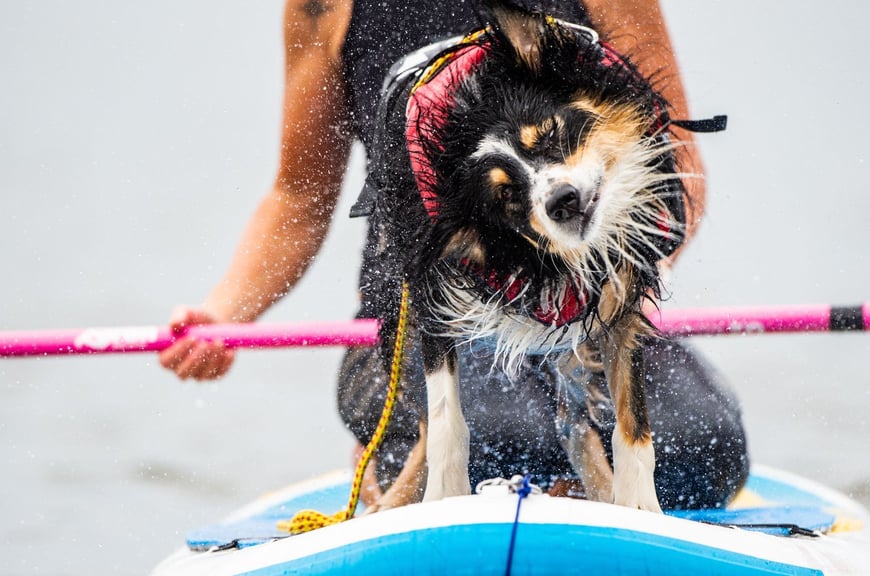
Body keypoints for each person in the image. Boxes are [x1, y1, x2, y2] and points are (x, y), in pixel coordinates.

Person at [159, 0, 748, 510]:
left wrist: (609, 288)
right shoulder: (324, 6)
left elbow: (672, 159)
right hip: (429, 320)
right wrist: (225, 312)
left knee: (705, 447)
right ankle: (413, 452)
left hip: (590, 308)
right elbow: (299, 199)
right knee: (501, 439)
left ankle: (573, 480)